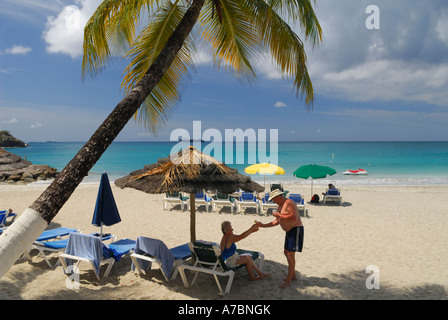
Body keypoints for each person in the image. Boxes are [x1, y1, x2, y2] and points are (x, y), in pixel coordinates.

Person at [257, 189, 304, 288]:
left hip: (296, 229)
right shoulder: (279, 206)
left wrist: (279, 215)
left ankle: (289, 280)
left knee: (290, 255)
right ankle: (293, 276)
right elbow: (276, 222)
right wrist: (262, 225)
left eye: (274, 199)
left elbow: (293, 217)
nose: (273, 201)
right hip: (289, 231)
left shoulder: (289, 203)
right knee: (286, 252)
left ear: (278, 197)